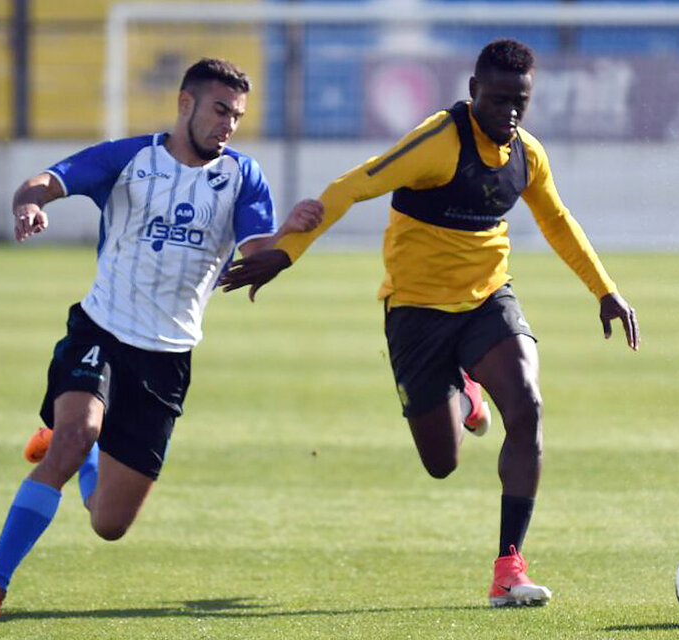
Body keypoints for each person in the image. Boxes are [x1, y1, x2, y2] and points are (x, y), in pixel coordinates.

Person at [221, 39, 640, 607]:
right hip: (416, 313)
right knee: (441, 463)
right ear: (472, 94)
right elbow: (353, 185)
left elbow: (558, 221)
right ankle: (465, 389)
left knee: (528, 405)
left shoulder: (527, 155)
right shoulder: (438, 142)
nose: (509, 113)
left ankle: (508, 568)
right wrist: (287, 251)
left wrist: (605, 290)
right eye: (497, 101)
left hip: (487, 301)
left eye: (520, 101)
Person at [0, 58, 323, 619]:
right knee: (77, 433)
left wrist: (290, 237)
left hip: (167, 358)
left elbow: (257, 255)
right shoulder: (129, 157)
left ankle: (76, 455)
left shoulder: (243, 177)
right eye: (219, 110)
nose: (229, 124)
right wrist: (29, 204)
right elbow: (45, 181)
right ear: (186, 104)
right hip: (101, 329)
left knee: (108, 524)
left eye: (237, 115)